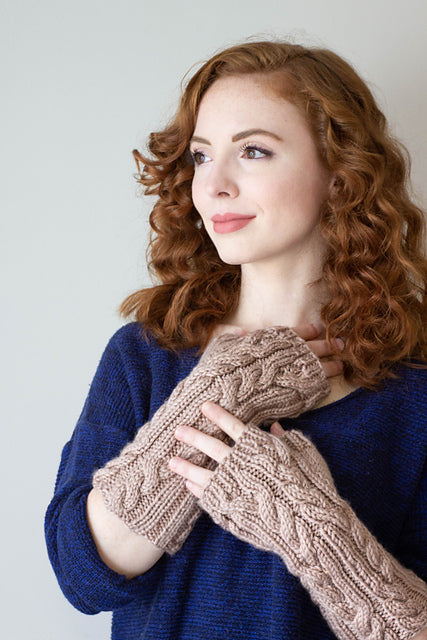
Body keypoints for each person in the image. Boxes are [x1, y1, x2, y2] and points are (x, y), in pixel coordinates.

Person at [45, 39, 427, 640]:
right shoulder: (146, 355)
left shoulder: (413, 393)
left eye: (253, 151)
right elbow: (82, 577)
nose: (214, 184)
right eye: (201, 156)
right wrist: (226, 392)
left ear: (339, 175)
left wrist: (311, 527)